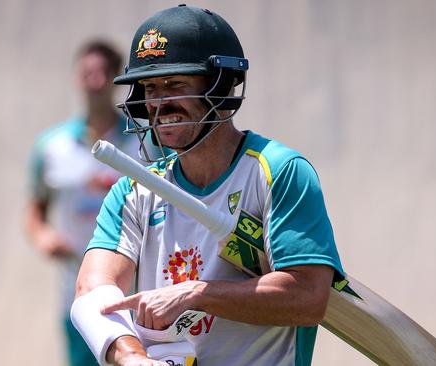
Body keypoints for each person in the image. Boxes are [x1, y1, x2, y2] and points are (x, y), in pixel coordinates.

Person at [71, 5, 345, 366]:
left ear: (222, 85)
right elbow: (93, 290)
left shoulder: (278, 171)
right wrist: (132, 357)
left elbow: (309, 297)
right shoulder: (133, 191)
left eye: (175, 84)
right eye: (151, 88)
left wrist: (197, 293)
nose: (159, 103)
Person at [25, 39, 141, 366]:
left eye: (103, 73)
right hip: (76, 294)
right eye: (87, 72)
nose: (94, 80)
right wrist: (42, 235)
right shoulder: (52, 146)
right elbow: (35, 208)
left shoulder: (144, 144)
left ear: (116, 79)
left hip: (136, 293)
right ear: (78, 77)